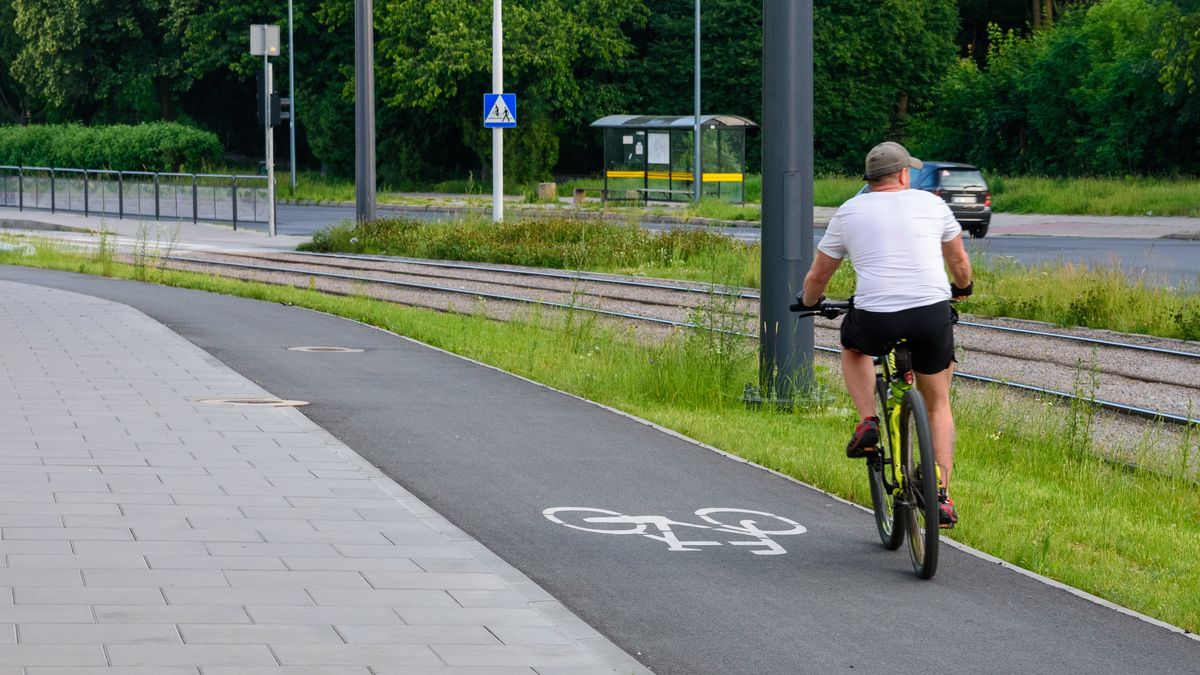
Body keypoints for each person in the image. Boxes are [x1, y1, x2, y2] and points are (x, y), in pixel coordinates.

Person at [796, 141, 973, 528]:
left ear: (870, 179)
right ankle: (941, 496)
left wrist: (809, 301)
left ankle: (868, 422)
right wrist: (963, 288)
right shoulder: (932, 204)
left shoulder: (849, 211)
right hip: (930, 314)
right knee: (938, 403)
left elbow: (818, 275)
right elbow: (959, 261)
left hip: (876, 316)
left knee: (853, 347)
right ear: (904, 174)